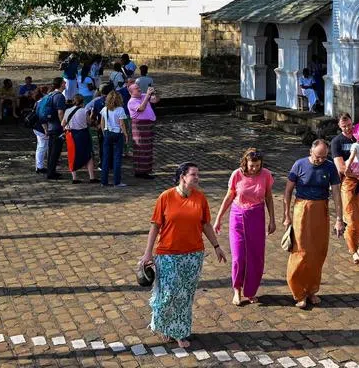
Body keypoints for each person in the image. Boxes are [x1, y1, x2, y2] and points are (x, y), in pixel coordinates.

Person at [139, 163, 226, 349]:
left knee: (185, 296)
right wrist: (148, 252)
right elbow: (155, 226)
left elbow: (205, 225)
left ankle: (179, 331)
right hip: (168, 254)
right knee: (168, 294)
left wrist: (217, 246)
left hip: (193, 255)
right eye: (193, 174)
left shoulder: (200, 198)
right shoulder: (166, 197)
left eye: (198, 174)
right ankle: (163, 324)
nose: (197, 178)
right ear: (182, 177)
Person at [283, 139, 344, 309]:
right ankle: (298, 292)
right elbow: (287, 191)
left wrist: (339, 219)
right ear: (311, 151)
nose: (321, 160)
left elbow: (337, 194)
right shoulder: (299, 165)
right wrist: (286, 214)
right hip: (302, 208)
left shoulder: (330, 166)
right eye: (318, 157)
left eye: (324, 157)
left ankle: (311, 290)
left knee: (318, 252)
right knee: (301, 251)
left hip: (321, 209)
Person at [212, 149, 275, 305]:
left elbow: (268, 197)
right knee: (239, 256)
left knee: (256, 256)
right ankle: (237, 289)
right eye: (252, 165)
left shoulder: (266, 175)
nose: (255, 168)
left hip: (257, 216)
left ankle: (251, 290)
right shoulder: (237, 174)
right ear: (245, 163)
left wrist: (272, 219)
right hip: (238, 216)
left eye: (258, 165)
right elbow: (229, 196)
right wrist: (218, 218)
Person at [330, 114, 359, 264]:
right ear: (339, 126)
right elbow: (340, 167)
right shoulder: (336, 142)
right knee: (352, 218)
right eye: (344, 126)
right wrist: (356, 174)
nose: (348, 128)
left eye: (349, 125)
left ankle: (355, 243)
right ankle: (353, 250)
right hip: (348, 182)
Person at [62, 94, 97, 184]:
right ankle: (91, 177)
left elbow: (63, 124)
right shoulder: (84, 111)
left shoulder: (67, 111)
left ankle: (74, 178)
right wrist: (92, 115)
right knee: (88, 154)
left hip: (71, 134)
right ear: (83, 102)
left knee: (72, 155)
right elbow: (89, 122)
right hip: (83, 134)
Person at [128, 82, 160, 179]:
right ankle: (140, 172)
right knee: (141, 148)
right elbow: (141, 108)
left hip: (147, 125)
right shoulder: (132, 101)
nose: (139, 89)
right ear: (131, 92)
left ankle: (146, 170)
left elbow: (156, 100)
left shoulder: (142, 96)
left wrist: (155, 93)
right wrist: (147, 96)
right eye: (136, 88)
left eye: (138, 87)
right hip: (140, 127)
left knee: (148, 148)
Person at [100, 90, 129, 187]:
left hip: (108, 133)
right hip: (117, 134)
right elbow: (121, 123)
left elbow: (102, 122)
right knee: (117, 158)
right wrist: (125, 134)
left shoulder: (105, 109)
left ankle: (104, 181)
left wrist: (104, 132)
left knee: (106, 158)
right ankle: (117, 181)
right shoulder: (120, 109)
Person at [42, 77, 68, 180]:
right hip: (57, 127)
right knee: (55, 151)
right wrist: (64, 125)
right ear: (61, 84)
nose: (65, 84)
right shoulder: (60, 97)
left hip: (50, 125)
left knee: (51, 149)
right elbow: (60, 112)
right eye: (64, 82)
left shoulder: (51, 94)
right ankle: (51, 173)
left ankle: (50, 170)